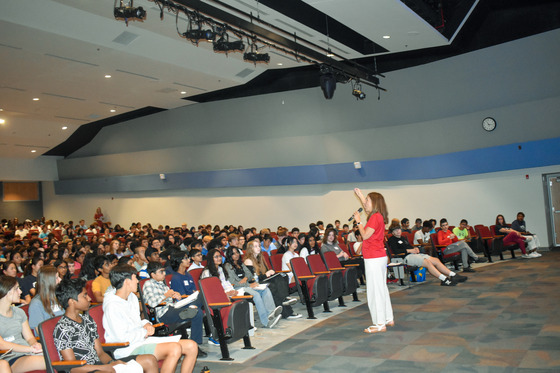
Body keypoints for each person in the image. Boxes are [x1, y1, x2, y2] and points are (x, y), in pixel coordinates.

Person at [102, 264, 198, 373]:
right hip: (127, 348)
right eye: (135, 278)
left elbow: (136, 321)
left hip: (141, 340)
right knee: (174, 348)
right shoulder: (113, 306)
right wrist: (144, 332)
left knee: (192, 346)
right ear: (127, 281)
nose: (138, 282)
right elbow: (121, 338)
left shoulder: (131, 297)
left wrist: (146, 324)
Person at [54, 278, 158, 373]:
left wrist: (112, 363)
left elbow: (100, 353)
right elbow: (72, 367)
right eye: (85, 295)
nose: (89, 298)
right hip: (83, 370)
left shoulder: (87, 320)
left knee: (149, 360)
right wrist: (105, 368)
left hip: (98, 365)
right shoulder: (63, 328)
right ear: (72, 301)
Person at [143, 261, 206, 358]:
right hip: (164, 313)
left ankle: (195, 343)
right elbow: (152, 303)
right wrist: (166, 295)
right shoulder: (148, 284)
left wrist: (174, 295)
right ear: (153, 274)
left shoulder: (162, 284)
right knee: (196, 313)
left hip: (173, 307)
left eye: (164, 271)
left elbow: (168, 298)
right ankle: (188, 312)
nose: (164, 274)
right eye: (161, 272)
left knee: (199, 307)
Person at [353, 188, 393, 334]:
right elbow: (366, 206)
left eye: (368, 200)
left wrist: (358, 222)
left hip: (374, 258)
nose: (365, 204)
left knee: (374, 291)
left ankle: (379, 323)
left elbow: (364, 235)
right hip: (378, 257)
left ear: (374, 203)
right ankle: (388, 318)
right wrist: (361, 196)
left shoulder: (375, 217)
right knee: (381, 288)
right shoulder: (377, 216)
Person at [223, 247, 283, 328]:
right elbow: (233, 282)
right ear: (230, 255)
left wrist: (245, 278)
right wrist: (248, 285)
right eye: (233, 253)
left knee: (265, 289)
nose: (236, 255)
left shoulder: (240, 263)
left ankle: (271, 314)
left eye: (237, 252)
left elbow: (250, 274)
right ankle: (266, 322)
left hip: (247, 285)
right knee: (256, 295)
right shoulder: (227, 266)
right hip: (238, 288)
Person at [388, 226, 467, 286]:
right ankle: (444, 279)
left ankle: (453, 275)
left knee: (435, 260)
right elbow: (396, 251)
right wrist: (409, 250)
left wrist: (415, 248)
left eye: (398, 229)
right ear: (393, 233)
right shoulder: (392, 240)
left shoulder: (402, 238)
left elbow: (409, 246)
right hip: (406, 257)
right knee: (427, 262)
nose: (398, 231)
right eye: (395, 230)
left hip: (414, 254)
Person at [243, 239, 299, 319]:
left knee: (283, 276)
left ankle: (285, 302)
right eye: (255, 246)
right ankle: (286, 308)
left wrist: (268, 273)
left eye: (259, 246)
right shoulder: (248, 261)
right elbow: (252, 279)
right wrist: (266, 274)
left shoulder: (260, 259)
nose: (258, 248)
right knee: (274, 285)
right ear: (250, 249)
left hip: (263, 280)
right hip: (256, 283)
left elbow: (265, 274)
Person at [0, 275, 46, 373]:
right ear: (6, 292)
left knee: (53, 355)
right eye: (16, 289)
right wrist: (30, 349)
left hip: (26, 352)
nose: (20, 292)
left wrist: (35, 344)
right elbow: (2, 344)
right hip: (9, 357)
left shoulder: (19, 312)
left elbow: (29, 338)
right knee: (47, 361)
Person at [28, 266, 64, 333]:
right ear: (48, 282)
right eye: (56, 278)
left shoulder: (57, 296)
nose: (60, 280)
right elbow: (41, 332)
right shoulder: (36, 304)